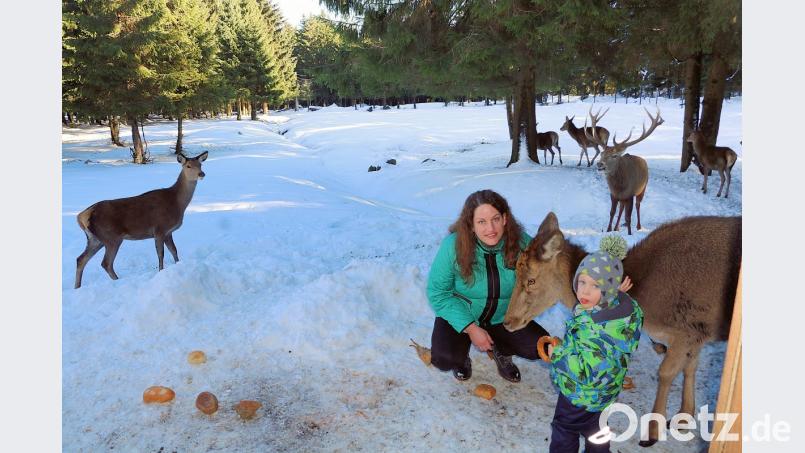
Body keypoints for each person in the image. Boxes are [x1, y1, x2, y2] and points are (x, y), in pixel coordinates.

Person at [426, 189, 549, 383]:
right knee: (443, 358)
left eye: (495, 219)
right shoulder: (453, 246)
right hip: (463, 314)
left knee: (539, 346)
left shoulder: (523, 244)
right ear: (471, 225)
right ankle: (461, 357)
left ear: (505, 219)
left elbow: (541, 279)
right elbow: (438, 293)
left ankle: (502, 351)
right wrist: (471, 328)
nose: (490, 228)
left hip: (502, 316)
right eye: (481, 222)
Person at [546, 236, 643, 453]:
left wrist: (558, 354)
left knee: (564, 430)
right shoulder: (622, 313)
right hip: (605, 394)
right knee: (597, 431)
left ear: (607, 289)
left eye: (595, 285)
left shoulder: (593, 327)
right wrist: (616, 294)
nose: (585, 292)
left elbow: (583, 370)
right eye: (582, 282)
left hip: (580, 395)